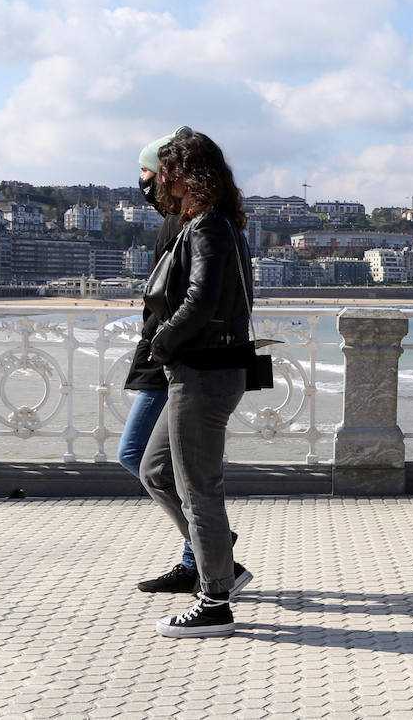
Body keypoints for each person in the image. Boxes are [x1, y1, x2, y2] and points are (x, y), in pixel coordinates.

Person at [140, 128, 255, 639]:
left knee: (199, 490)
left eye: (165, 172)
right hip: (204, 369)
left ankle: (214, 601)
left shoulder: (209, 226)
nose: (159, 182)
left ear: (185, 174)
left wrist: (162, 342)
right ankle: (220, 562)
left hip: (203, 371)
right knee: (155, 470)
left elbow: (201, 299)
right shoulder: (213, 223)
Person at [117, 129, 199, 593]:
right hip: (165, 353)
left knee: (137, 455)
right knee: (168, 464)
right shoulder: (179, 221)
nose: (142, 183)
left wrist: (162, 346)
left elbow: (184, 299)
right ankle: (202, 553)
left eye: (145, 172)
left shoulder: (182, 223)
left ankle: (207, 547)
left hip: (168, 359)